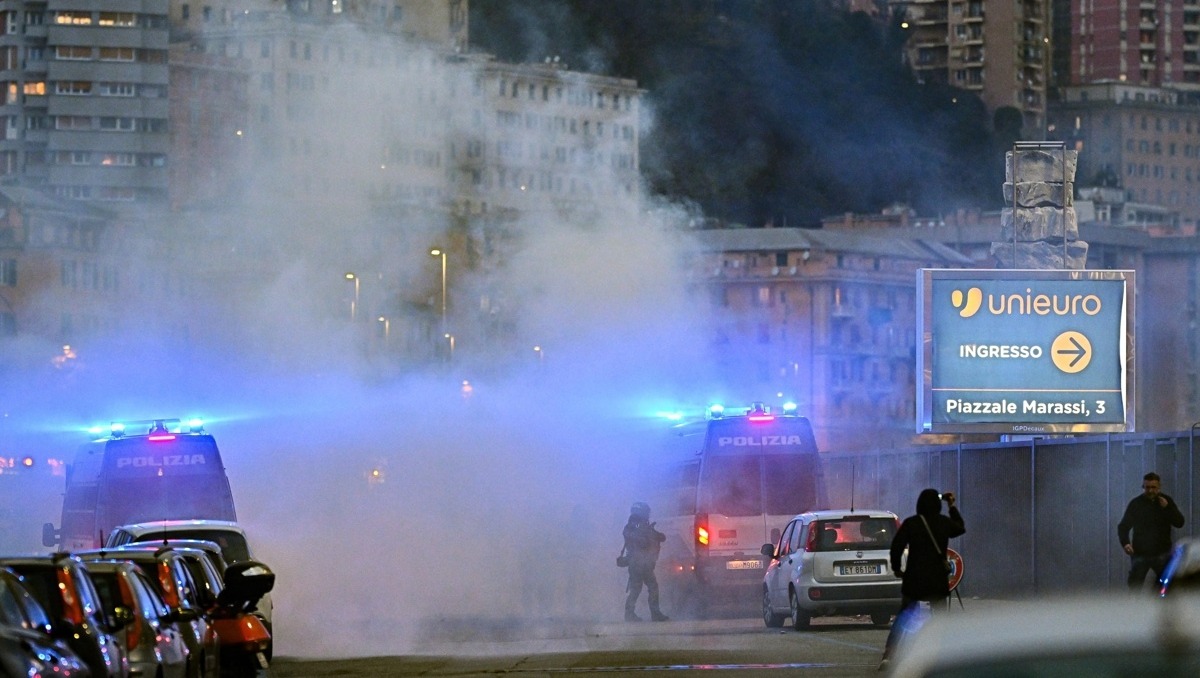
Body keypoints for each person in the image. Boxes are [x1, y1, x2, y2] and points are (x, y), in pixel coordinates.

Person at [879, 488, 965, 670]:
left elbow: (896, 546)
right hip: (937, 580)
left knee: (903, 617)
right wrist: (951, 506)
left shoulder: (911, 523)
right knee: (940, 619)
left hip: (914, 580)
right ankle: (943, 655)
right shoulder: (944, 523)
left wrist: (897, 568)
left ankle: (889, 654)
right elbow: (960, 527)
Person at [1117, 471, 1185, 591]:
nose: (1150, 491)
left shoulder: (1166, 502)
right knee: (1135, 587)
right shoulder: (1136, 504)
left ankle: (1162, 607)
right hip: (1140, 553)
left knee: (1164, 587)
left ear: (1159, 487)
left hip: (1162, 553)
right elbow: (1123, 526)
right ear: (1143, 487)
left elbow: (1179, 523)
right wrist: (1125, 543)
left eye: (1153, 487)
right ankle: (1134, 608)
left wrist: (1168, 508)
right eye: (1147, 487)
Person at [622, 501, 668, 622]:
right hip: (639, 563)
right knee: (646, 588)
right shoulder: (635, 525)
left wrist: (656, 536)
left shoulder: (634, 525)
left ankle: (634, 614)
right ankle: (650, 613)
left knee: (640, 588)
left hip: (641, 563)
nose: (648, 515)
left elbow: (655, 536)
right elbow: (642, 540)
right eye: (646, 512)